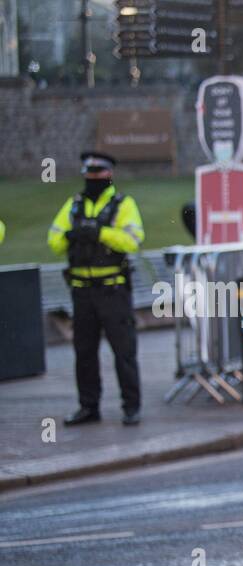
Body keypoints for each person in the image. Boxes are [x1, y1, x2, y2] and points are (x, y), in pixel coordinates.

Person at [48, 151, 145, 426]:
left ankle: (131, 406)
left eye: (98, 173)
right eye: (88, 173)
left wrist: (99, 233)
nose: (92, 178)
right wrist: (71, 235)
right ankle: (88, 406)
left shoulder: (123, 204)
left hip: (113, 290)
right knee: (84, 353)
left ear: (109, 174)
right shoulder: (74, 205)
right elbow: (54, 240)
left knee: (124, 352)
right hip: (82, 292)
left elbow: (133, 240)